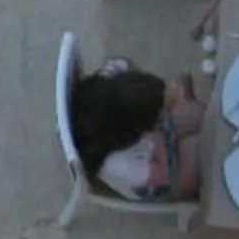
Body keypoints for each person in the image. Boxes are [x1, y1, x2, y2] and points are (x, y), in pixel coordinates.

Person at [68, 59, 206, 202]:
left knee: (196, 114)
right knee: (199, 145)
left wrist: (166, 94)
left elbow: (122, 63)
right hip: (160, 174)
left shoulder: (108, 84)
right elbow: (161, 172)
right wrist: (159, 137)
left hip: (151, 138)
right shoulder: (119, 165)